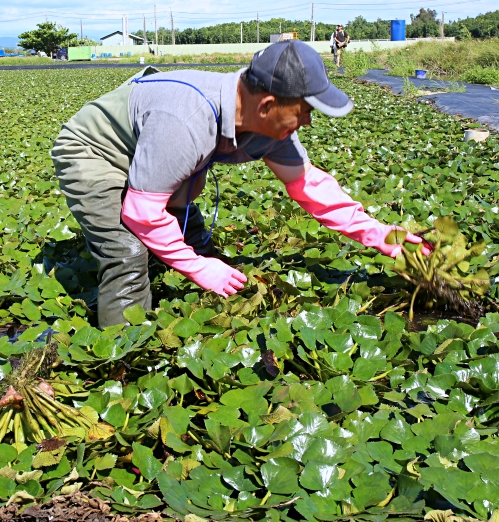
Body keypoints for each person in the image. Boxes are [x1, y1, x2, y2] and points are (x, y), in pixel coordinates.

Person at [51, 40, 426, 327]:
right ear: (266, 106)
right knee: (127, 250)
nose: (308, 124)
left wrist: (380, 235)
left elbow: (308, 185)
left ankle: (200, 287)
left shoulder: (267, 126)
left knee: (188, 231)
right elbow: (141, 212)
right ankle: (123, 360)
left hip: (155, 152)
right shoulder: (187, 120)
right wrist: (199, 268)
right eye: (305, 112)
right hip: (95, 152)